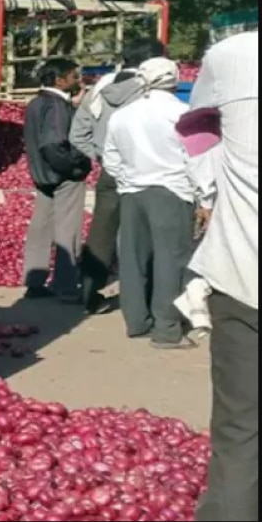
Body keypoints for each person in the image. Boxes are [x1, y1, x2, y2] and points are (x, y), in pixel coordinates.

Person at [182, 31, 257, 522]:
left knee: (239, 430)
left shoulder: (235, 54)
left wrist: (209, 191)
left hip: (244, 269)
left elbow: (196, 132)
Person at [103, 58, 214, 349]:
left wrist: (129, 179)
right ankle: (167, 328)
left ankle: (137, 321)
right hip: (172, 191)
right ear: (176, 80)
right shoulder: (183, 113)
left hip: (132, 192)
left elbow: (111, 159)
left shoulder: (122, 115)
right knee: (171, 259)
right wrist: (206, 197)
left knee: (132, 258)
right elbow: (198, 159)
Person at [69, 38, 166, 313]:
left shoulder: (100, 89)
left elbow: (77, 134)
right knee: (141, 236)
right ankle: (141, 301)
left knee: (101, 231)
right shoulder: (152, 90)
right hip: (145, 171)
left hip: (110, 171)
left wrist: (101, 156)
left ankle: (89, 294)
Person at [21, 59, 91, 301]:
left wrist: (73, 106)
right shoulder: (57, 106)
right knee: (67, 230)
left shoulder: (36, 103)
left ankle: (35, 281)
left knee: (41, 226)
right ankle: (66, 285)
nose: (78, 80)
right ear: (60, 80)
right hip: (63, 176)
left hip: (42, 176)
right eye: (74, 76)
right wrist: (75, 166)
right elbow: (53, 143)